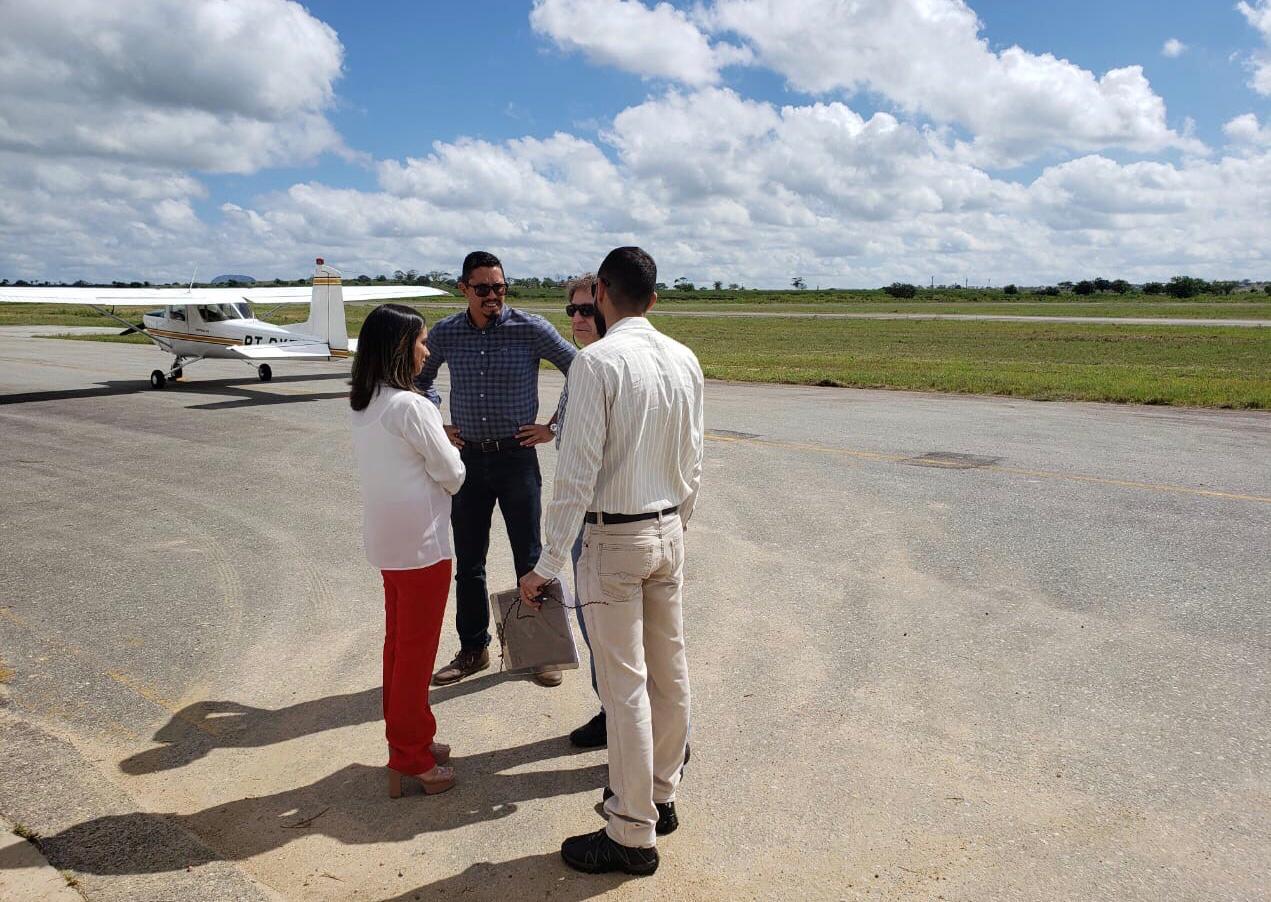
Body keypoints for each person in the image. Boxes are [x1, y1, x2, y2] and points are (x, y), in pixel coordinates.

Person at [520, 247, 705, 876]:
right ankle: (661, 794)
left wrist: (545, 563)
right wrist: (677, 524)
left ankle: (631, 832)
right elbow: (694, 459)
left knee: (625, 687)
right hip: (667, 532)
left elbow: (575, 476)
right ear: (652, 299)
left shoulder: (596, 364)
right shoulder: (684, 358)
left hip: (613, 542)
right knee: (669, 670)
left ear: (601, 293)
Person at [417, 251, 576, 688]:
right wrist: (437, 422)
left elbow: (579, 369)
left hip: (516, 457)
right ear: (463, 289)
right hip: (467, 459)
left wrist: (553, 426)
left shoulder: (531, 328)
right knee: (469, 562)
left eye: (500, 287)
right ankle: (474, 650)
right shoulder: (447, 333)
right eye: (483, 288)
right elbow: (421, 380)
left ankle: (541, 653)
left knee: (530, 555)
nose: (493, 296)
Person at [350, 303, 465, 798]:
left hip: (390, 544)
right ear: (401, 348)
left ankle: (412, 735)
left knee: (400, 649)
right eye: (420, 341)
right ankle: (410, 756)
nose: (427, 349)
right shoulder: (412, 406)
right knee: (416, 655)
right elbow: (454, 475)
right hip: (423, 546)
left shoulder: (366, 401)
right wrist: (448, 447)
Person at [554, 275, 608, 748]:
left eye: (587, 310)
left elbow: (582, 465)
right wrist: (549, 428)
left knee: (611, 634)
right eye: (571, 310)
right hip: (591, 522)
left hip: (600, 522)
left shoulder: (602, 367)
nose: (577, 319)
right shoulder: (581, 365)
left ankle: (644, 740)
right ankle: (611, 711)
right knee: (597, 630)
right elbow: (569, 420)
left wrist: (547, 556)